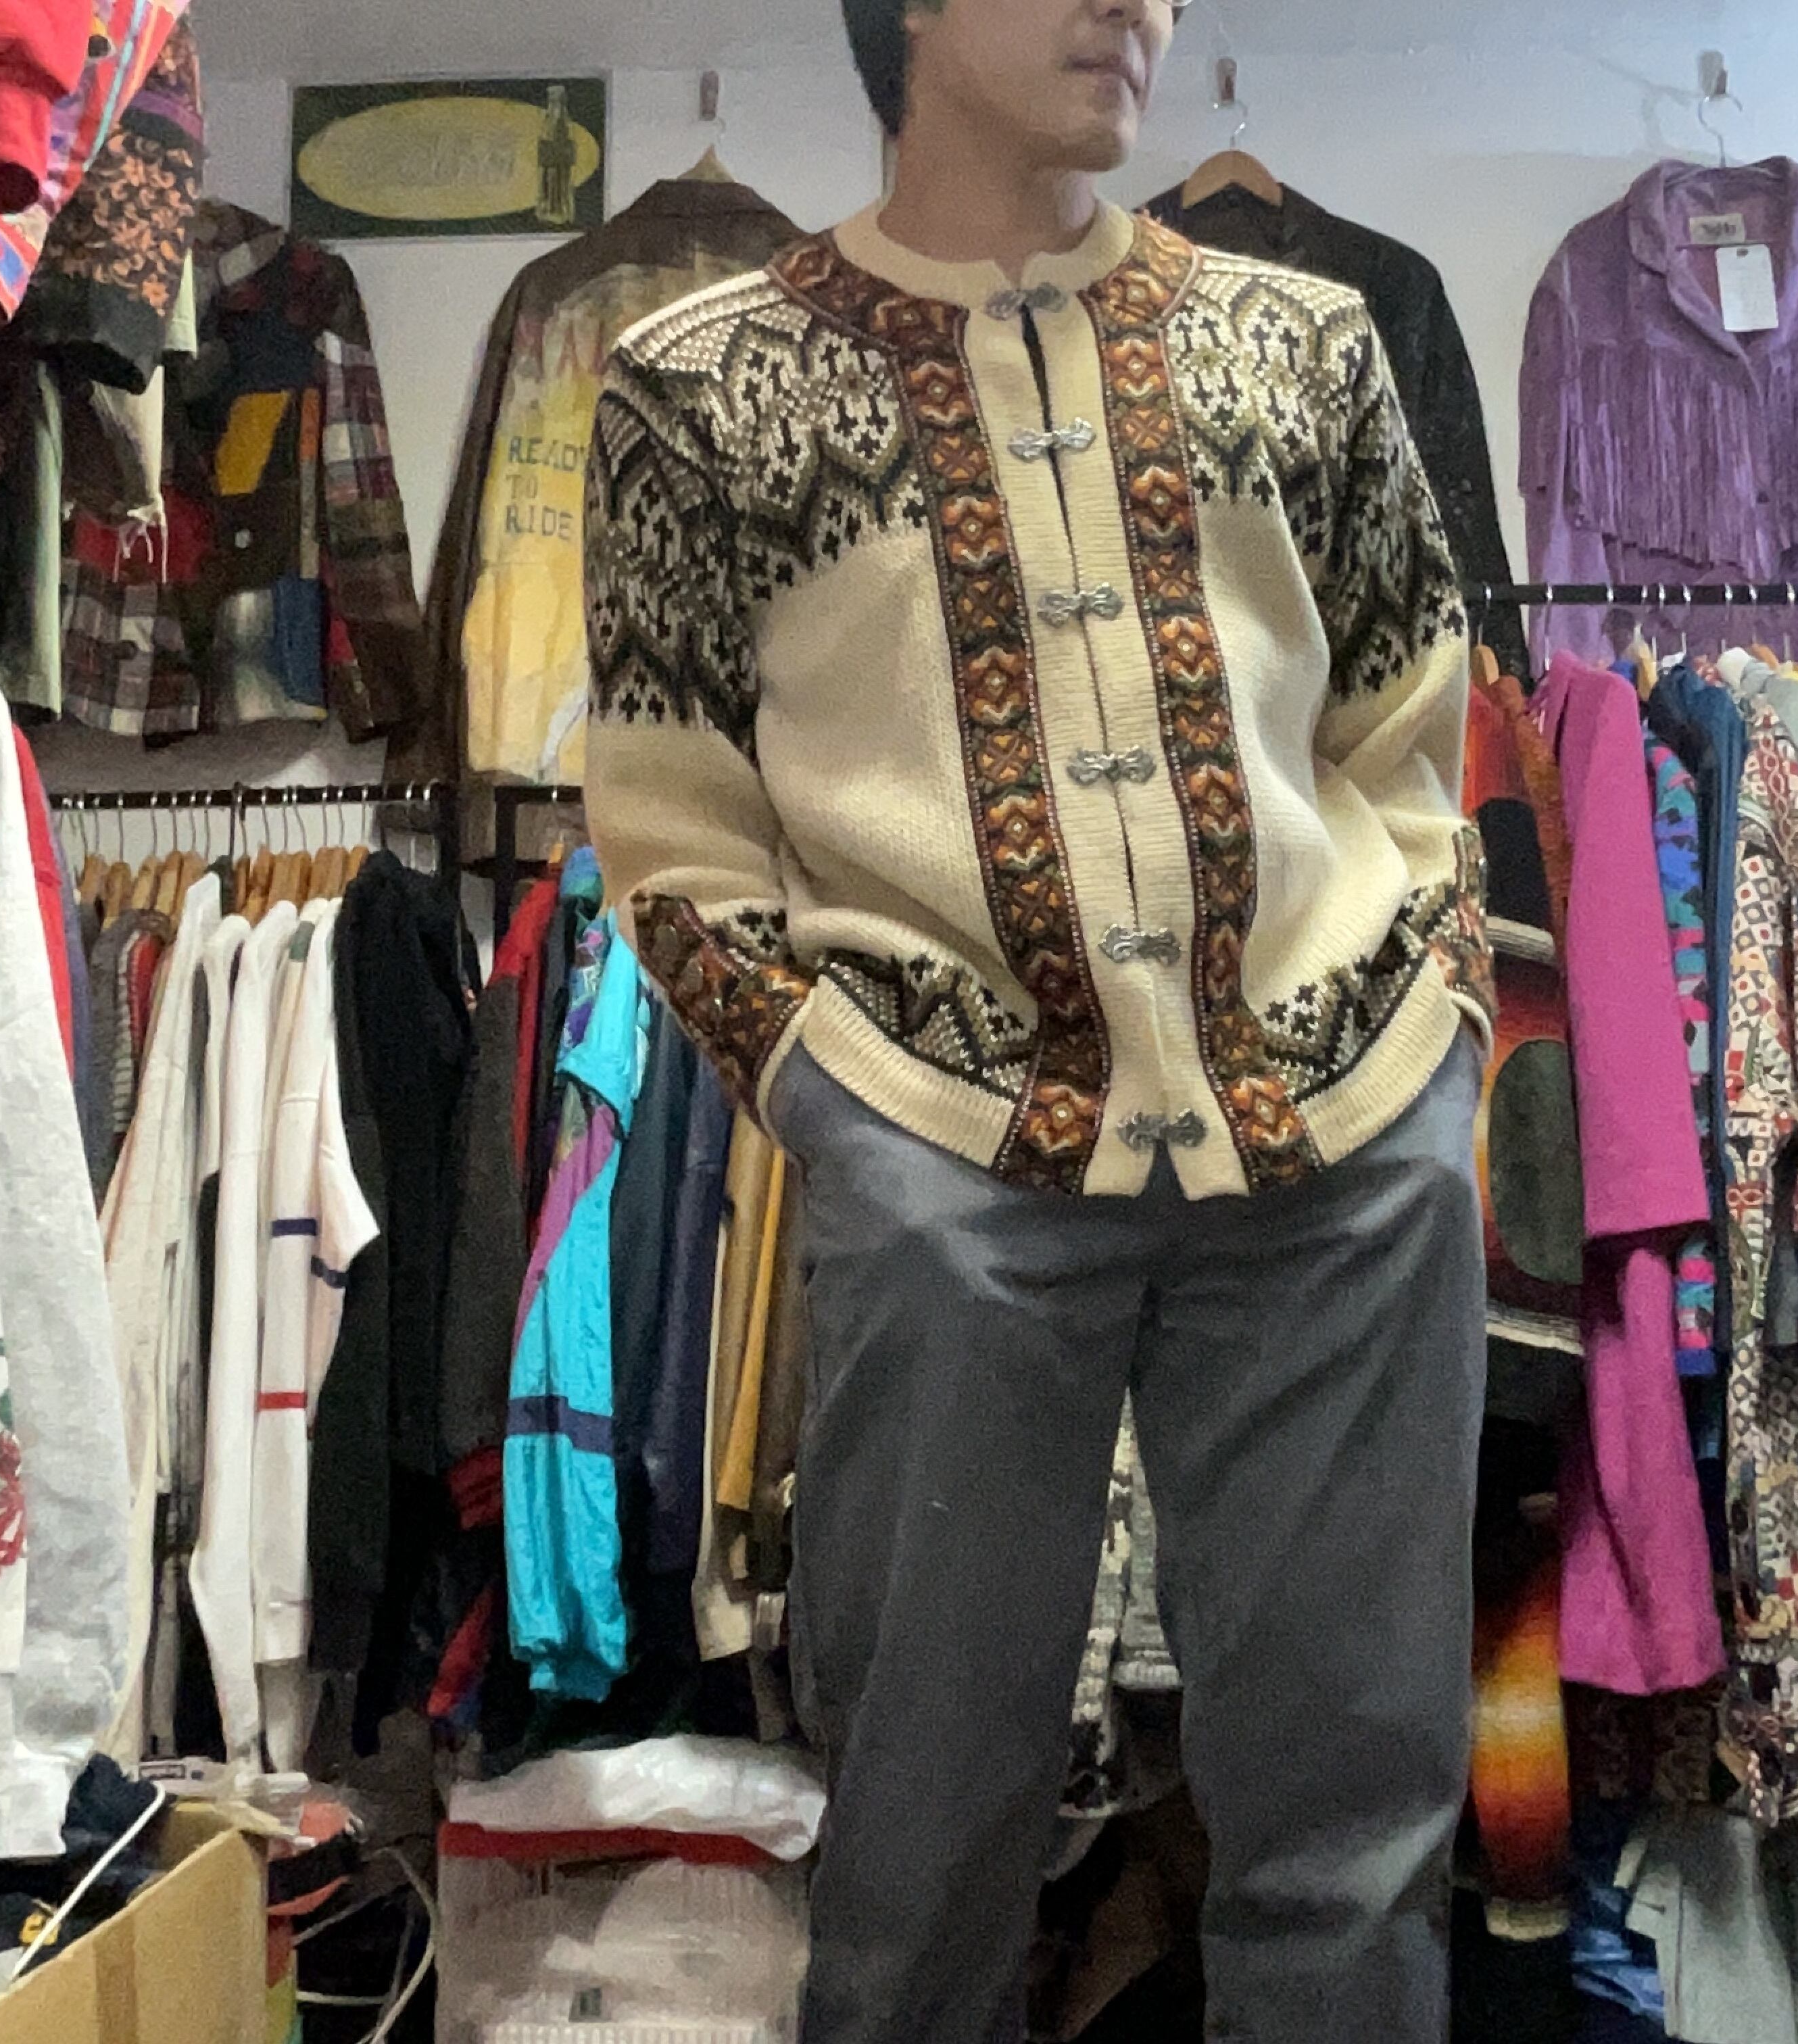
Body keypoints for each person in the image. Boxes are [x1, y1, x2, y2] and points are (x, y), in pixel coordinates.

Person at [583, 1, 1495, 2037]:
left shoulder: (1311, 343)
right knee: (924, 1842)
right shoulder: (698, 385)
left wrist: (1429, 1037)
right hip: (947, 1168)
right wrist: (846, 1104)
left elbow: (1415, 734)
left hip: (1341, 1159)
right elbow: (671, 829)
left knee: (1356, 1838)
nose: (1138, 5)